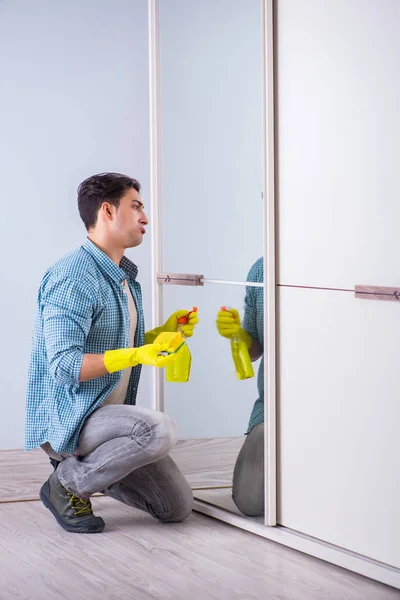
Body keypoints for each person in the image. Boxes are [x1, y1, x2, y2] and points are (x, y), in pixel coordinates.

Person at [25, 172, 199, 533]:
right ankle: (67, 483)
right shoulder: (73, 277)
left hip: (107, 422)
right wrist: (137, 355)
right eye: (136, 206)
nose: (145, 217)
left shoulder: (121, 277)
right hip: (73, 416)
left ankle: (88, 471)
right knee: (159, 429)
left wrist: (165, 333)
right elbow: (64, 365)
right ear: (107, 210)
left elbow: (121, 342)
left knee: (175, 507)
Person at [216, 257, 264, 516]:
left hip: (330, 406)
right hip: (273, 408)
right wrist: (237, 334)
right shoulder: (262, 269)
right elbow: (255, 349)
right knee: (250, 501)